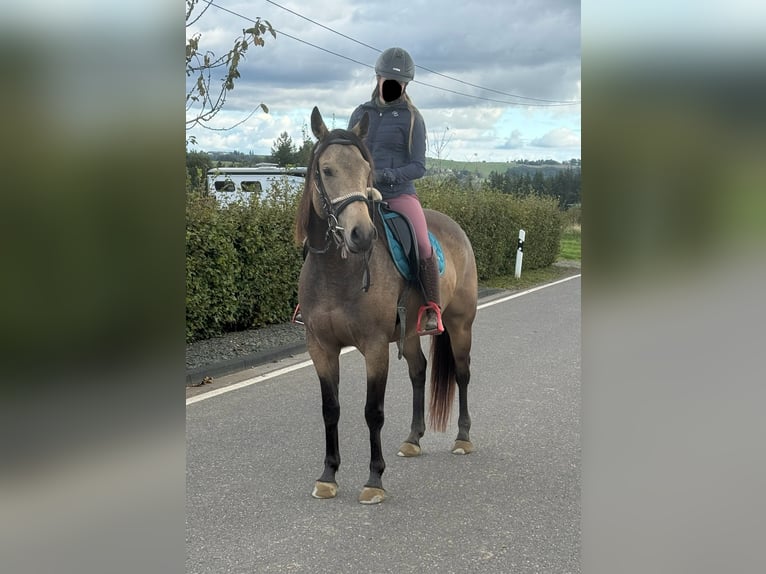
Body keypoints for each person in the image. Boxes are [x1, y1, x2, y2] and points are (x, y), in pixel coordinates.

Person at [348, 47, 442, 336]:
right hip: (361, 191)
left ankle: (431, 308)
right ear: (378, 78)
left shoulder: (412, 118)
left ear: (405, 86)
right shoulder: (360, 113)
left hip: (399, 193)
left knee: (424, 246)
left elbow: (418, 166)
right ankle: (312, 302)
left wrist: (387, 176)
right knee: (324, 229)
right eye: (387, 80)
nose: (391, 86)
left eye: (397, 83)